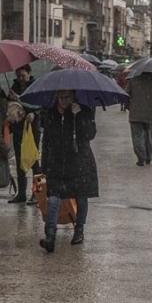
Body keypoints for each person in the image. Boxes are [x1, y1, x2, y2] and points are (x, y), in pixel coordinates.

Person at [36, 89, 99, 252]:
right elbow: (47, 140)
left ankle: (79, 229)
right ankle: (50, 235)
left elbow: (90, 134)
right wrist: (44, 165)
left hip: (79, 161)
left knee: (81, 196)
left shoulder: (83, 111)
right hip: (57, 162)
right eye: (61, 97)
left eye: (68, 97)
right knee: (53, 197)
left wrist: (79, 117)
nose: (64, 101)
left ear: (73, 97)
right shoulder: (50, 113)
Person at [6, 65, 39, 204]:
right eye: (18, 76)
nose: (20, 79)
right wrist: (1, 93)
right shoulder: (14, 86)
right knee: (20, 161)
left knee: (33, 160)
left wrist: (34, 113)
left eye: (23, 75)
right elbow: (10, 105)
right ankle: (21, 194)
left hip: (32, 129)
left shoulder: (36, 86)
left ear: (29, 74)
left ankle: (37, 194)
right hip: (18, 127)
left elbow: (40, 106)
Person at [126, 71, 152, 167]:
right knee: (149, 135)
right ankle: (148, 156)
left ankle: (141, 157)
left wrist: (130, 106)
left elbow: (126, 96)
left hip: (135, 114)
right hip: (151, 114)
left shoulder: (133, 81)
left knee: (137, 136)